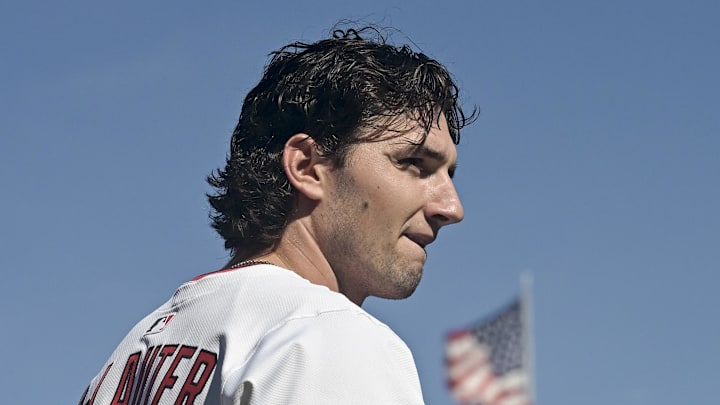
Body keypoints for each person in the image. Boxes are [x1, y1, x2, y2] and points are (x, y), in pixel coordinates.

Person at [79, 26, 475, 404]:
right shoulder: (324, 334)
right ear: (307, 166)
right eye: (414, 163)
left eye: (448, 174)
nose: (450, 207)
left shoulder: (125, 361)